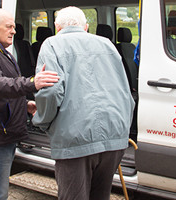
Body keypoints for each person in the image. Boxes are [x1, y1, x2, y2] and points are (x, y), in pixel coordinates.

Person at [32, 6, 135, 200]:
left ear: (57, 27)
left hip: (75, 140)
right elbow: (125, 93)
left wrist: (42, 120)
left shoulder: (52, 44)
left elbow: (51, 91)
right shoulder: (108, 45)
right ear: (86, 27)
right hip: (114, 138)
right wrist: (121, 129)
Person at [0, 8, 59, 200]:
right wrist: (32, 82)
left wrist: (23, 105)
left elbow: (0, 90)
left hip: (1, 132)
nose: (14, 31)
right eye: (9, 27)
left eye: (13, 27)